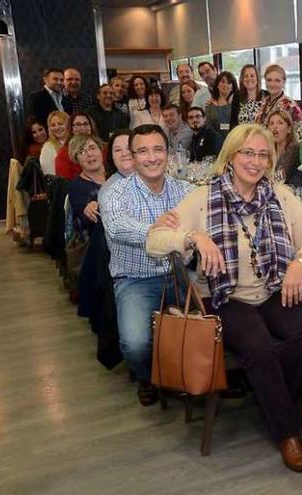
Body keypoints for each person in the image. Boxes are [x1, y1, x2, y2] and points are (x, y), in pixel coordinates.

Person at [146, 124, 302, 473]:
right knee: (258, 346)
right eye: (247, 153)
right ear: (230, 156)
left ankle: (269, 398)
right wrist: (194, 236)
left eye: (263, 155)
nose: (255, 161)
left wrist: (298, 265)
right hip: (223, 295)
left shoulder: (280, 194)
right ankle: (287, 432)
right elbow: (155, 240)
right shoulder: (204, 197)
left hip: (273, 287)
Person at [100, 124, 195, 406]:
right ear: (132, 156)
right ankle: (147, 375)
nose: (152, 157)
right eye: (143, 151)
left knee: (219, 320)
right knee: (135, 344)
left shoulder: (185, 189)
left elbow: (205, 218)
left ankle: (201, 372)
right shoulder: (115, 193)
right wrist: (158, 230)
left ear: (168, 153)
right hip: (136, 279)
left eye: (158, 149)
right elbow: (116, 228)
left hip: (181, 274)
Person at [67, 134, 107, 238]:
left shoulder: (116, 175)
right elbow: (86, 220)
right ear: (77, 159)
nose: (89, 154)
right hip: (97, 237)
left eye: (92, 148)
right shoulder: (76, 186)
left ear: (100, 150)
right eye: (82, 152)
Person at [254, 64, 302, 142]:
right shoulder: (263, 102)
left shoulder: (290, 105)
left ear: (284, 82)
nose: (272, 84)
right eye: (269, 80)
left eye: (277, 80)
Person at [55, 112, 100, 179]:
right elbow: (64, 184)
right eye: (78, 125)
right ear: (71, 129)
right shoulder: (64, 153)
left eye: (86, 124)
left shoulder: (101, 147)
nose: (82, 128)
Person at [268, 109, 302, 187]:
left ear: (289, 129)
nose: (274, 126)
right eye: (271, 123)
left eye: (280, 123)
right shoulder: (269, 149)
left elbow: (280, 178)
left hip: (293, 194)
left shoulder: (294, 148)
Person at [99, 129, 135, 203]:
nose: (124, 154)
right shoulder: (109, 189)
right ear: (111, 156)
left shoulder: (154, 178)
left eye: (129, 148)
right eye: (118, 150)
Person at [206, 71, 237, 137]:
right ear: (217, 84)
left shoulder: (236, 104)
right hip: (215, 142)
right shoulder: (210, 105)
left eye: (229, 83)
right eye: (222, 82)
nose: (225, 85)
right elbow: (208, 128)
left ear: (232, 87)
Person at [39, 110, 70, 175]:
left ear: (68, 125)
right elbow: (49, 175)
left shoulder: (76, 143)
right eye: (53, 125)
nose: (57, 127)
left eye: (60, 124)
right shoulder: (47, 148)